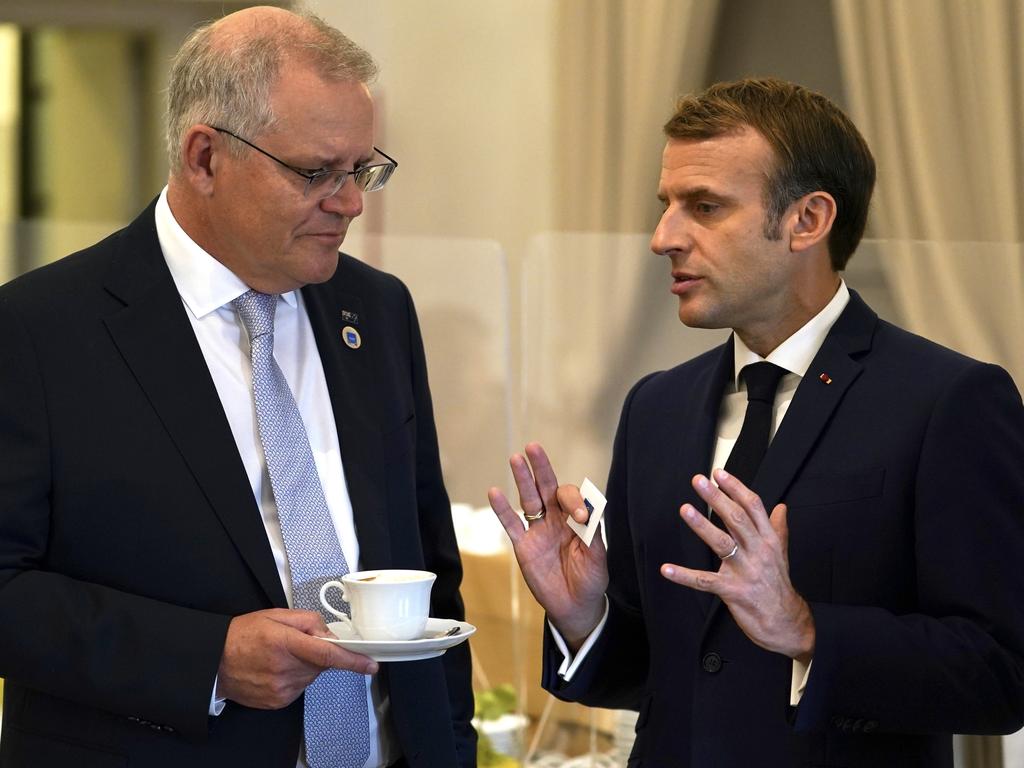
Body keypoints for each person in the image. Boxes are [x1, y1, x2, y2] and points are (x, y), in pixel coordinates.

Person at [489, 78, 1024, 767]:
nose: (663, 238)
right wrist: (583, 617)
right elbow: (664, 674)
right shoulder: (654, 407)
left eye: (704, 207)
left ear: (808, 220)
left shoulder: (948, 400)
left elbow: (1000, 676)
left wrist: (805, 630)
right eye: (667, 206)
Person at [0, 7, 474, 768]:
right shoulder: (38, 330)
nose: (351, 201)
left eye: (364, 169)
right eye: (317, 172)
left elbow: (428, 575)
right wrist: (205, 661)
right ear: (204, 158)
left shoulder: (376, 312)